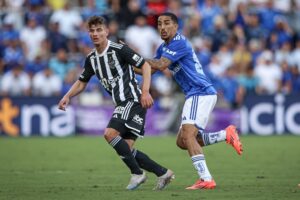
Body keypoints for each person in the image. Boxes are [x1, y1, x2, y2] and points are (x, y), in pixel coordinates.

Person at [58, 16, 174, 190]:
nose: (95, 34)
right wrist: (67, 96)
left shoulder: (119, 50)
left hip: (132, 100)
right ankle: (163, 173)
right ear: (88, 33)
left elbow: (146, 66)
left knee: (110, 134)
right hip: (125, 103)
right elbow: (82, 81)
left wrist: (145, 91)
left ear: (106, 31)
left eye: (99, 30)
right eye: (92, 30)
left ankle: (137, 174)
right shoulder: (91, 59)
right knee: (125, 149)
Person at [145, 12, 243, 190]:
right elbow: (149, 70)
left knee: (188, 135)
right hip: (194, 94)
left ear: (176, 26)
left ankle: (206, 179)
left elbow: (160, 65)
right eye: (159, 24)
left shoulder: (179, 42)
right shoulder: (163, 47)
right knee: (183, 141)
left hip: (200, 91)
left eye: (167, 23)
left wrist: (131, 55)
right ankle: (225, 134)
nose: (162, 27)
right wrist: (126, 62)